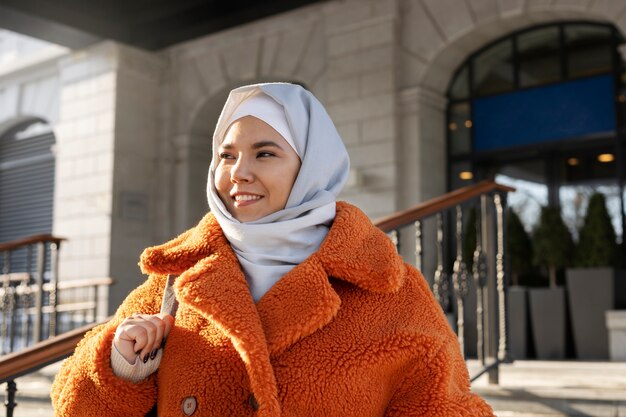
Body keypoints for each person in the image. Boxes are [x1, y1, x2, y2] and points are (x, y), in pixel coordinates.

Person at [51, 82, 494, 416]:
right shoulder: (179, 277)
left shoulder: (390, 291)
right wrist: (121, 365)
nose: (238, 173)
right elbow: (71, 407)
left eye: (265, 154)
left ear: (312, 166)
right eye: (226, 155)